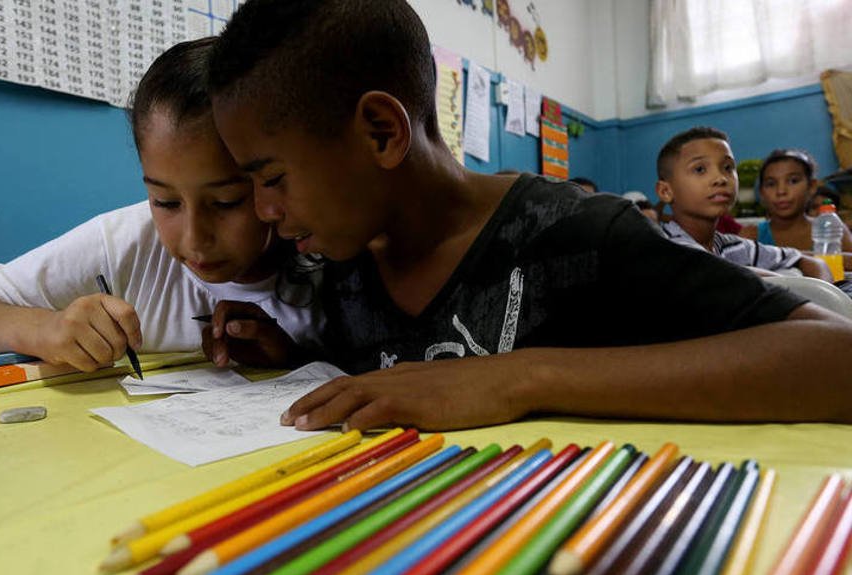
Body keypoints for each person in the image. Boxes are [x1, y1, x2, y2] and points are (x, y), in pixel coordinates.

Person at [207, 0, 852, 429]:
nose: (267, 210)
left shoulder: (574, 235)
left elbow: (834, 359)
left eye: (273, 178)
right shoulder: (342, 271)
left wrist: (522, 377)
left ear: (380, 133)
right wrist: (293, 354)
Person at [0, 37, 323, 372]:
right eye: (165, 201)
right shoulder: (124, 244)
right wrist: (44, 328)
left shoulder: (329, 250)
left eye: (226, 201)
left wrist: (294, 359)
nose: (195, 238)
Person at [655, 129, 832, 281]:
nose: (721, 178)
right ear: (665, 191)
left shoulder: (732, 246)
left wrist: (826, 293)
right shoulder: (667, 247)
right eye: (700, 169)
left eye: (727, 167)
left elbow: (804, 260)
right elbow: (727, 277)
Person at [741, 150, 852, 271]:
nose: (781, 191)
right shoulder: (751, 236)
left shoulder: (832, 229)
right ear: (761, 192)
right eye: (771, 184)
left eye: (793, 181)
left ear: (812, 186)